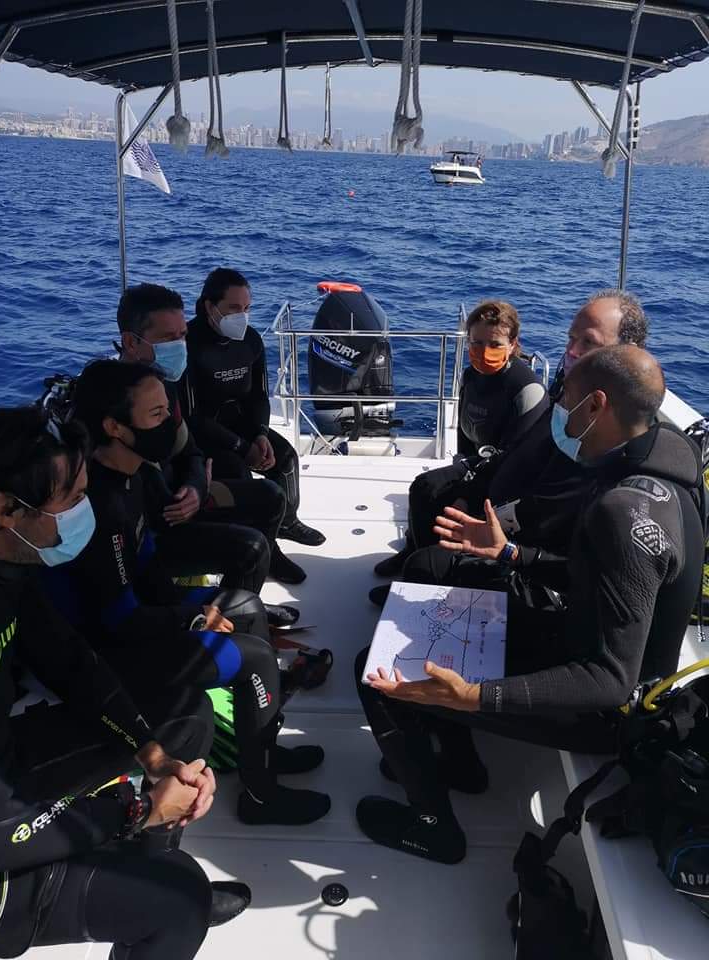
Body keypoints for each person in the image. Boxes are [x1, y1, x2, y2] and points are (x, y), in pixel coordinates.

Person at [355, 345, 705, 864]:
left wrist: (474, 696)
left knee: (378, 672)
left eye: (565, 395)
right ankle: (460, 764)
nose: (558, 406)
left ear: (596, 407)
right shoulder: (659, 462)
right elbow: (601, 577)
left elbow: (609, 679)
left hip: (608, 709)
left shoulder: (621, 512)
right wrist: (511, 553)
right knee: (438, 605)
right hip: (587, 638)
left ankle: (432, 826)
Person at [0, 406, 250, 959]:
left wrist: (153, 759)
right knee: (180, 903)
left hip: (3, 761)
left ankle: (142, 863)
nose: (87, 509)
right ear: (6, 509)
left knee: (183, 719)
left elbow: (71, 663)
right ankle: (152, 881)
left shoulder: (8, 564)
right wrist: (134, 808)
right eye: (71, 499)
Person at [56, 360, 330, 826]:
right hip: (111, 648)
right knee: (257, 660)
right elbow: (118, 618)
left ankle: (258, 748)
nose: (171, 423)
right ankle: (260, 796)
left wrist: (196, 605)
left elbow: (159, 544)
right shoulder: (100, 504)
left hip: (141, 611)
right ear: (114, 427)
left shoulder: (137, 470)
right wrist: (193, 617)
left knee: (247, 607)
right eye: (158, 415)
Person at [372, 290, 650, 591]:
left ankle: (422, 584)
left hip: (525, 541)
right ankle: (411, 563)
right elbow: (520, 454)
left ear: (627, 353)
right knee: (426, 491)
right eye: (571, 338)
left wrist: (498, 531)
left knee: (426, 567)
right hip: (504, 499)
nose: (571, 351)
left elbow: (559, 512)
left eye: (589, 342)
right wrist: (472, 491)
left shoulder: (615, 434)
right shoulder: (566, 393)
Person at [115, 282, 306, 590]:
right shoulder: (113, 402)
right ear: (131, 342)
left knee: (271, 497)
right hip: (157, 523)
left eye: (182, 336)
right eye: (167, 338)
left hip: (187, 495)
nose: (179, 346)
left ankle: (241, 602)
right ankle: (233, 611)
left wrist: (195, 485)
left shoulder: (164, 384)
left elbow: (188, 449)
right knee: (251, 546)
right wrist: (189, 493)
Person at [184, 267, 325, 556]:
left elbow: (259, 397)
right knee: (238, 473)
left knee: (285, 458)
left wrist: (260, 435)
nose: (242, 316)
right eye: (233, 308)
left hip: (241, 426)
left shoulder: (250, 341)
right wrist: (241, 447)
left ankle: (285, 523)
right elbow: (192, 416)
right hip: (203, 434)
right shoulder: (189, 344)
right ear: (210, 306)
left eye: (247, 308)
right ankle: (261, 546)